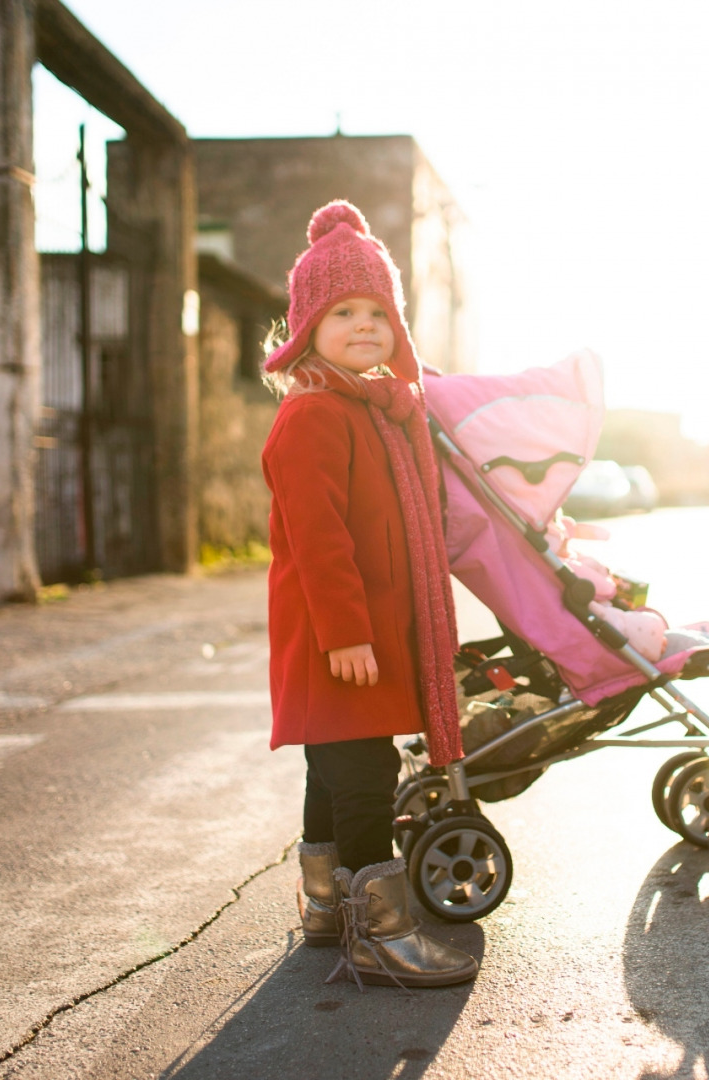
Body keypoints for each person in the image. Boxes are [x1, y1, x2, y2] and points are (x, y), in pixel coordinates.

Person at [259, 200, 476, 989]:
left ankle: (325, 909)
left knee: (332, 772)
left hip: (363, 639)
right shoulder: (313, 414)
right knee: (362, 779)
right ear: (306, 326)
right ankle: (378, 934)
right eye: (342, 311)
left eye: (378, 313)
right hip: (340, 641)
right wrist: (348, 633)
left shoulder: (373, 410)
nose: (363, 326)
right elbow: (320, 541)